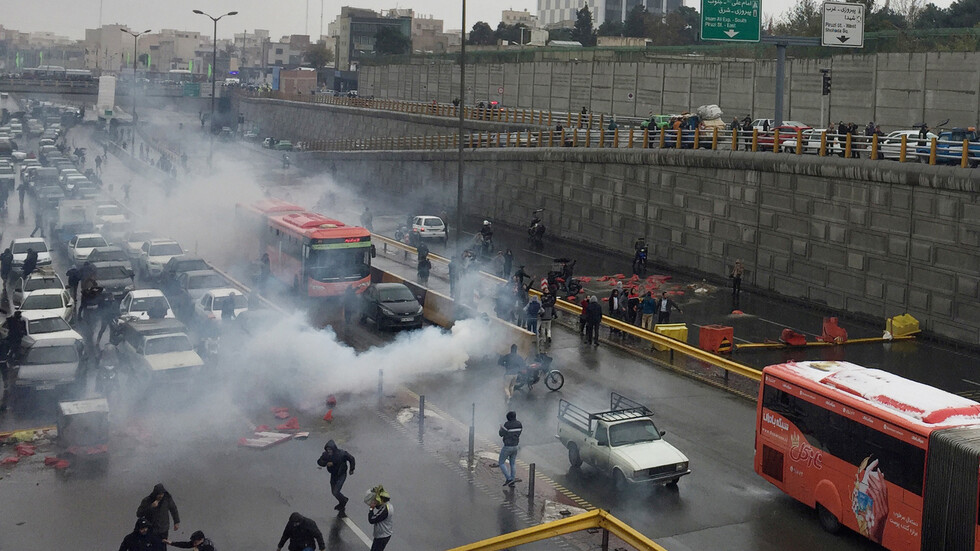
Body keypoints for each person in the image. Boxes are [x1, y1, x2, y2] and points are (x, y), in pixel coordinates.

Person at [317, 439, 356, 517]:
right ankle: (343, 500)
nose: (329, 451)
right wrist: (326, 463)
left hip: (342, 474)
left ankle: (343, 502)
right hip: (333, 474)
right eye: (327, 450)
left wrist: (351, 469)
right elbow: (319, 461)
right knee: (333, 492)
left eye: (330, 449)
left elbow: (351, 458)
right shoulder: (326, 455)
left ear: (334, 448)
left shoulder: (342, 454)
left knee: (336, 491)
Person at [498, 411, 523, 487]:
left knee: (501, 462)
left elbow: (501, 434)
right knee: (512, 463)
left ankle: (508, 478)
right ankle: (512, 478)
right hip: (515, 446)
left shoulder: (507, 424)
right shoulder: (519, 424)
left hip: (507, 446)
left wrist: (501, 428)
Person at [367, 486, 394, 551]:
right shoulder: (388, 505)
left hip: (382, 536)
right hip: (383, 535)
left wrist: (371, 509)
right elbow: (379, 507)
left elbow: (372, 520)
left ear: (382, 500)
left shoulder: (385, 510)